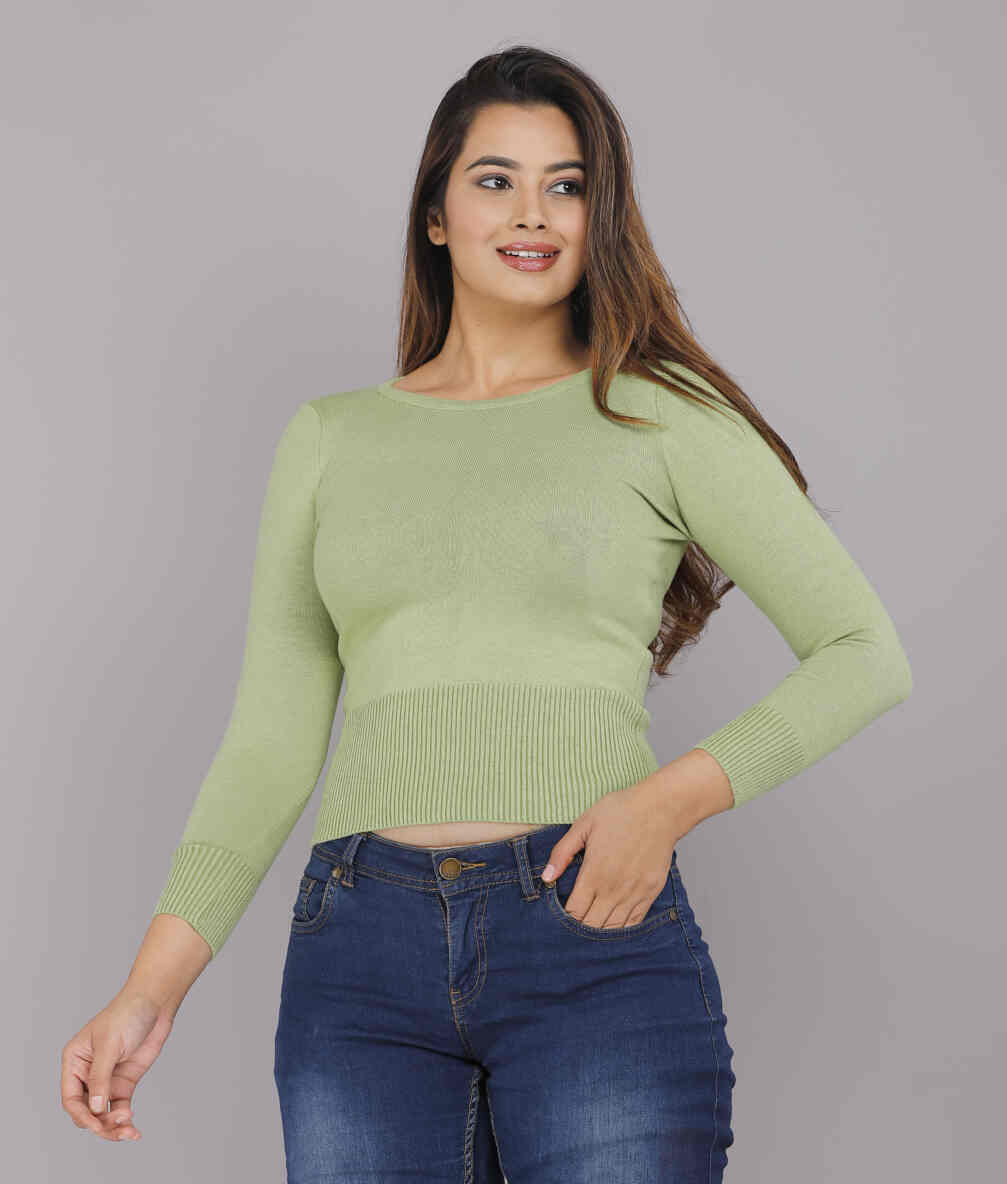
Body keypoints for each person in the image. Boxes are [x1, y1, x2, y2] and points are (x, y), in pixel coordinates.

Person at [61, 45, 912, 1181]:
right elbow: (268, 744)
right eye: (495, 179)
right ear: (435, 214)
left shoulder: (659, 417)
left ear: (599, 217)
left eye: (567, 185)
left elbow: (863, 651)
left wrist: (665, 804)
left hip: (589, 935)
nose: (532, 213)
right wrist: (147, 989)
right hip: (358, 961)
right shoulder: (332, 439)